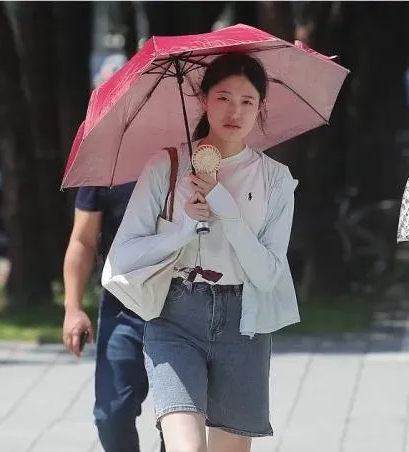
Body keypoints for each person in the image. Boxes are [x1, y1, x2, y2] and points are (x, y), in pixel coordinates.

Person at [107, 53, 299, 452]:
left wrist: (225, 208)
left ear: (261, 108)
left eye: (247, 101)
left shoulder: (274, 178)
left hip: (244, 323)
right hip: (175, 316)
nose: (235, 112)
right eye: (223, 98)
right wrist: (183, 230)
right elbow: (123, 254)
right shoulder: (168, 166)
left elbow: (268, 274)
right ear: (203, 100)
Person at [62, 181, 166, 452]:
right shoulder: (108, 163)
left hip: (182, 307)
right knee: (111, 414)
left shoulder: (198, 153)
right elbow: (83, 241)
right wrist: (73, 307)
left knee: (179, 421)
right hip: (124, 306)